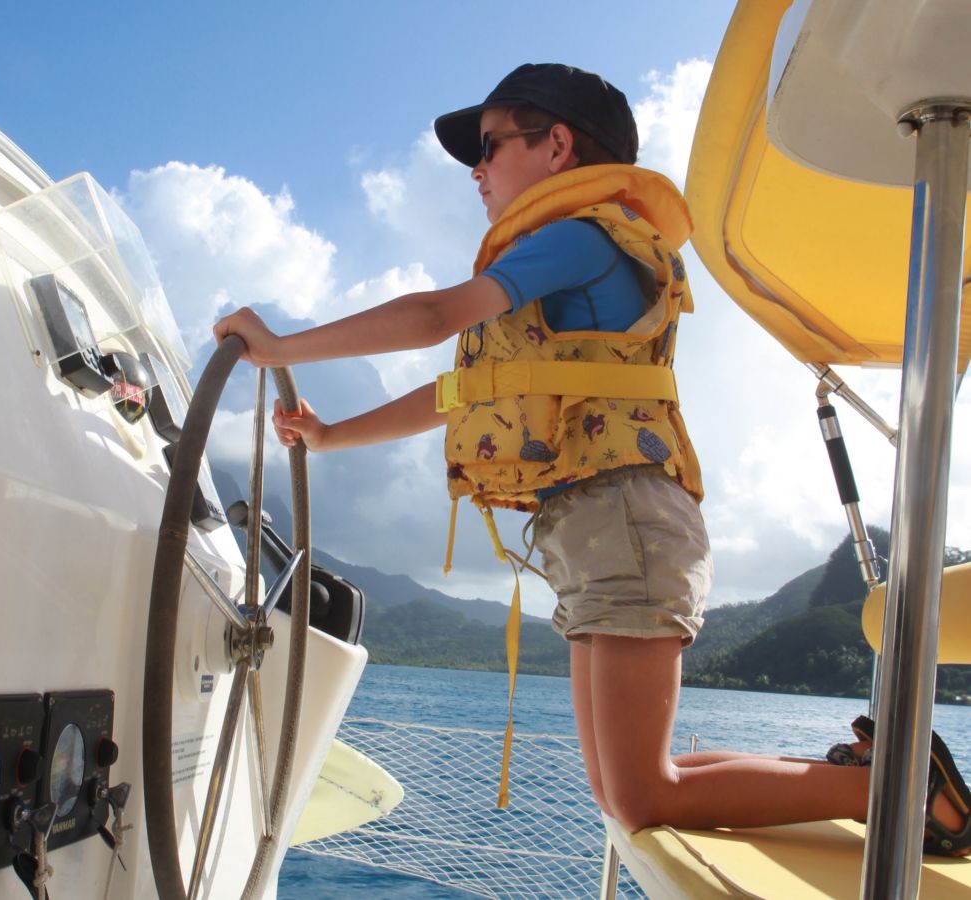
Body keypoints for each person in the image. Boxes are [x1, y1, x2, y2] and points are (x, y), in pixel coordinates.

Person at [213, 63, 970, 854]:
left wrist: (279, 348)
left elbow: (436, 314)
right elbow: (461, 391)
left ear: (559, 145)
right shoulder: (552, 271)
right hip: (593, 535)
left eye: (491, 145)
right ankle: (877, 775)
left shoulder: (580, 238)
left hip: (629, 525)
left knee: (642, 794)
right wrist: (332, 436)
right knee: (622, 790)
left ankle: (902, 787)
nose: (477, 169)